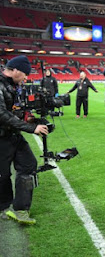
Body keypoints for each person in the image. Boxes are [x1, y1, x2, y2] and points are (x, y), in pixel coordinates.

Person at [0, 55, 49, 225]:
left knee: (28, 165)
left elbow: (14, 111)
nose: (27, 78)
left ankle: (20, 209)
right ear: (14, 70)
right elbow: (2, 115)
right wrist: (31, 128)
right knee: (3, 175)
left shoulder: (13, 86)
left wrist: (30, 120)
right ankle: (4, 207)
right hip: (1, 139)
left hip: (13, 135)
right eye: (25, 74)